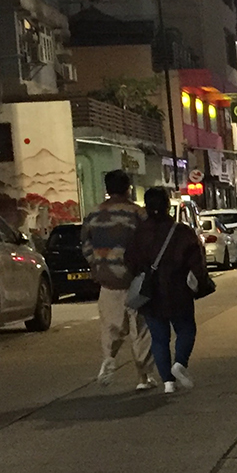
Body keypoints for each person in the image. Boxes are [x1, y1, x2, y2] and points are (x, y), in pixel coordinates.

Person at [125, 187, 208, 396]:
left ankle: (168, 383)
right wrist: (200, 282)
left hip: (150, 294)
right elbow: (196, 261)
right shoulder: (181, 232)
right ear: (167, 206)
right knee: (186, 329)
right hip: (178, 291)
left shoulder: (138, 234)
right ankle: (180, 363)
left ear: (146, 207)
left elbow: (130, 262)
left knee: (159, 338)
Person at [80, 169, 157, 391]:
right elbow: (149, 244)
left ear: (107, 188)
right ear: (127, 188)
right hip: (135, 279)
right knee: (141, 328)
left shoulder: (93, 214)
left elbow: (85, 244)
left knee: (110, 325)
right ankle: (144, 376)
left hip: (107, 279)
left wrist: (97, 265)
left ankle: (109, 357)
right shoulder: (137, 213)